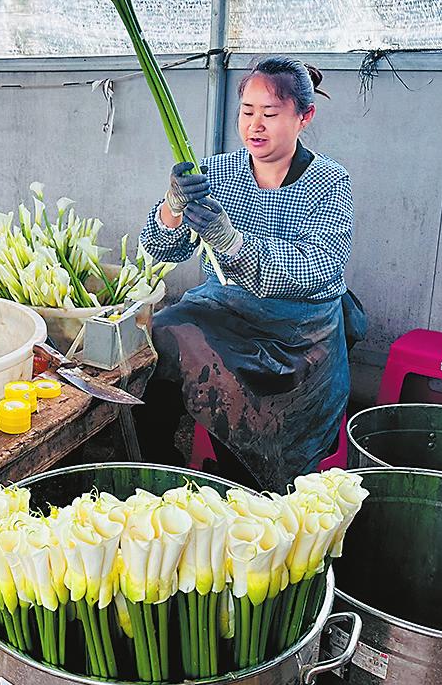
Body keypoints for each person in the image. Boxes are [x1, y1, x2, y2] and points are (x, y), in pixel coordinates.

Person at [136, 56, 366, 492]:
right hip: (225, 310)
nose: (255, 126)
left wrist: (233, 244)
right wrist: (171, 206)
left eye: (271, 114)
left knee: (248, 400)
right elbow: (159, 250)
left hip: (298, 331)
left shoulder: (330, 181)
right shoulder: (216, 172)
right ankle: (159, 469)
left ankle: (244, 488)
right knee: (157, 341)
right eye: (247, 112)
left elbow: (321, 264)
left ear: (304, 117)